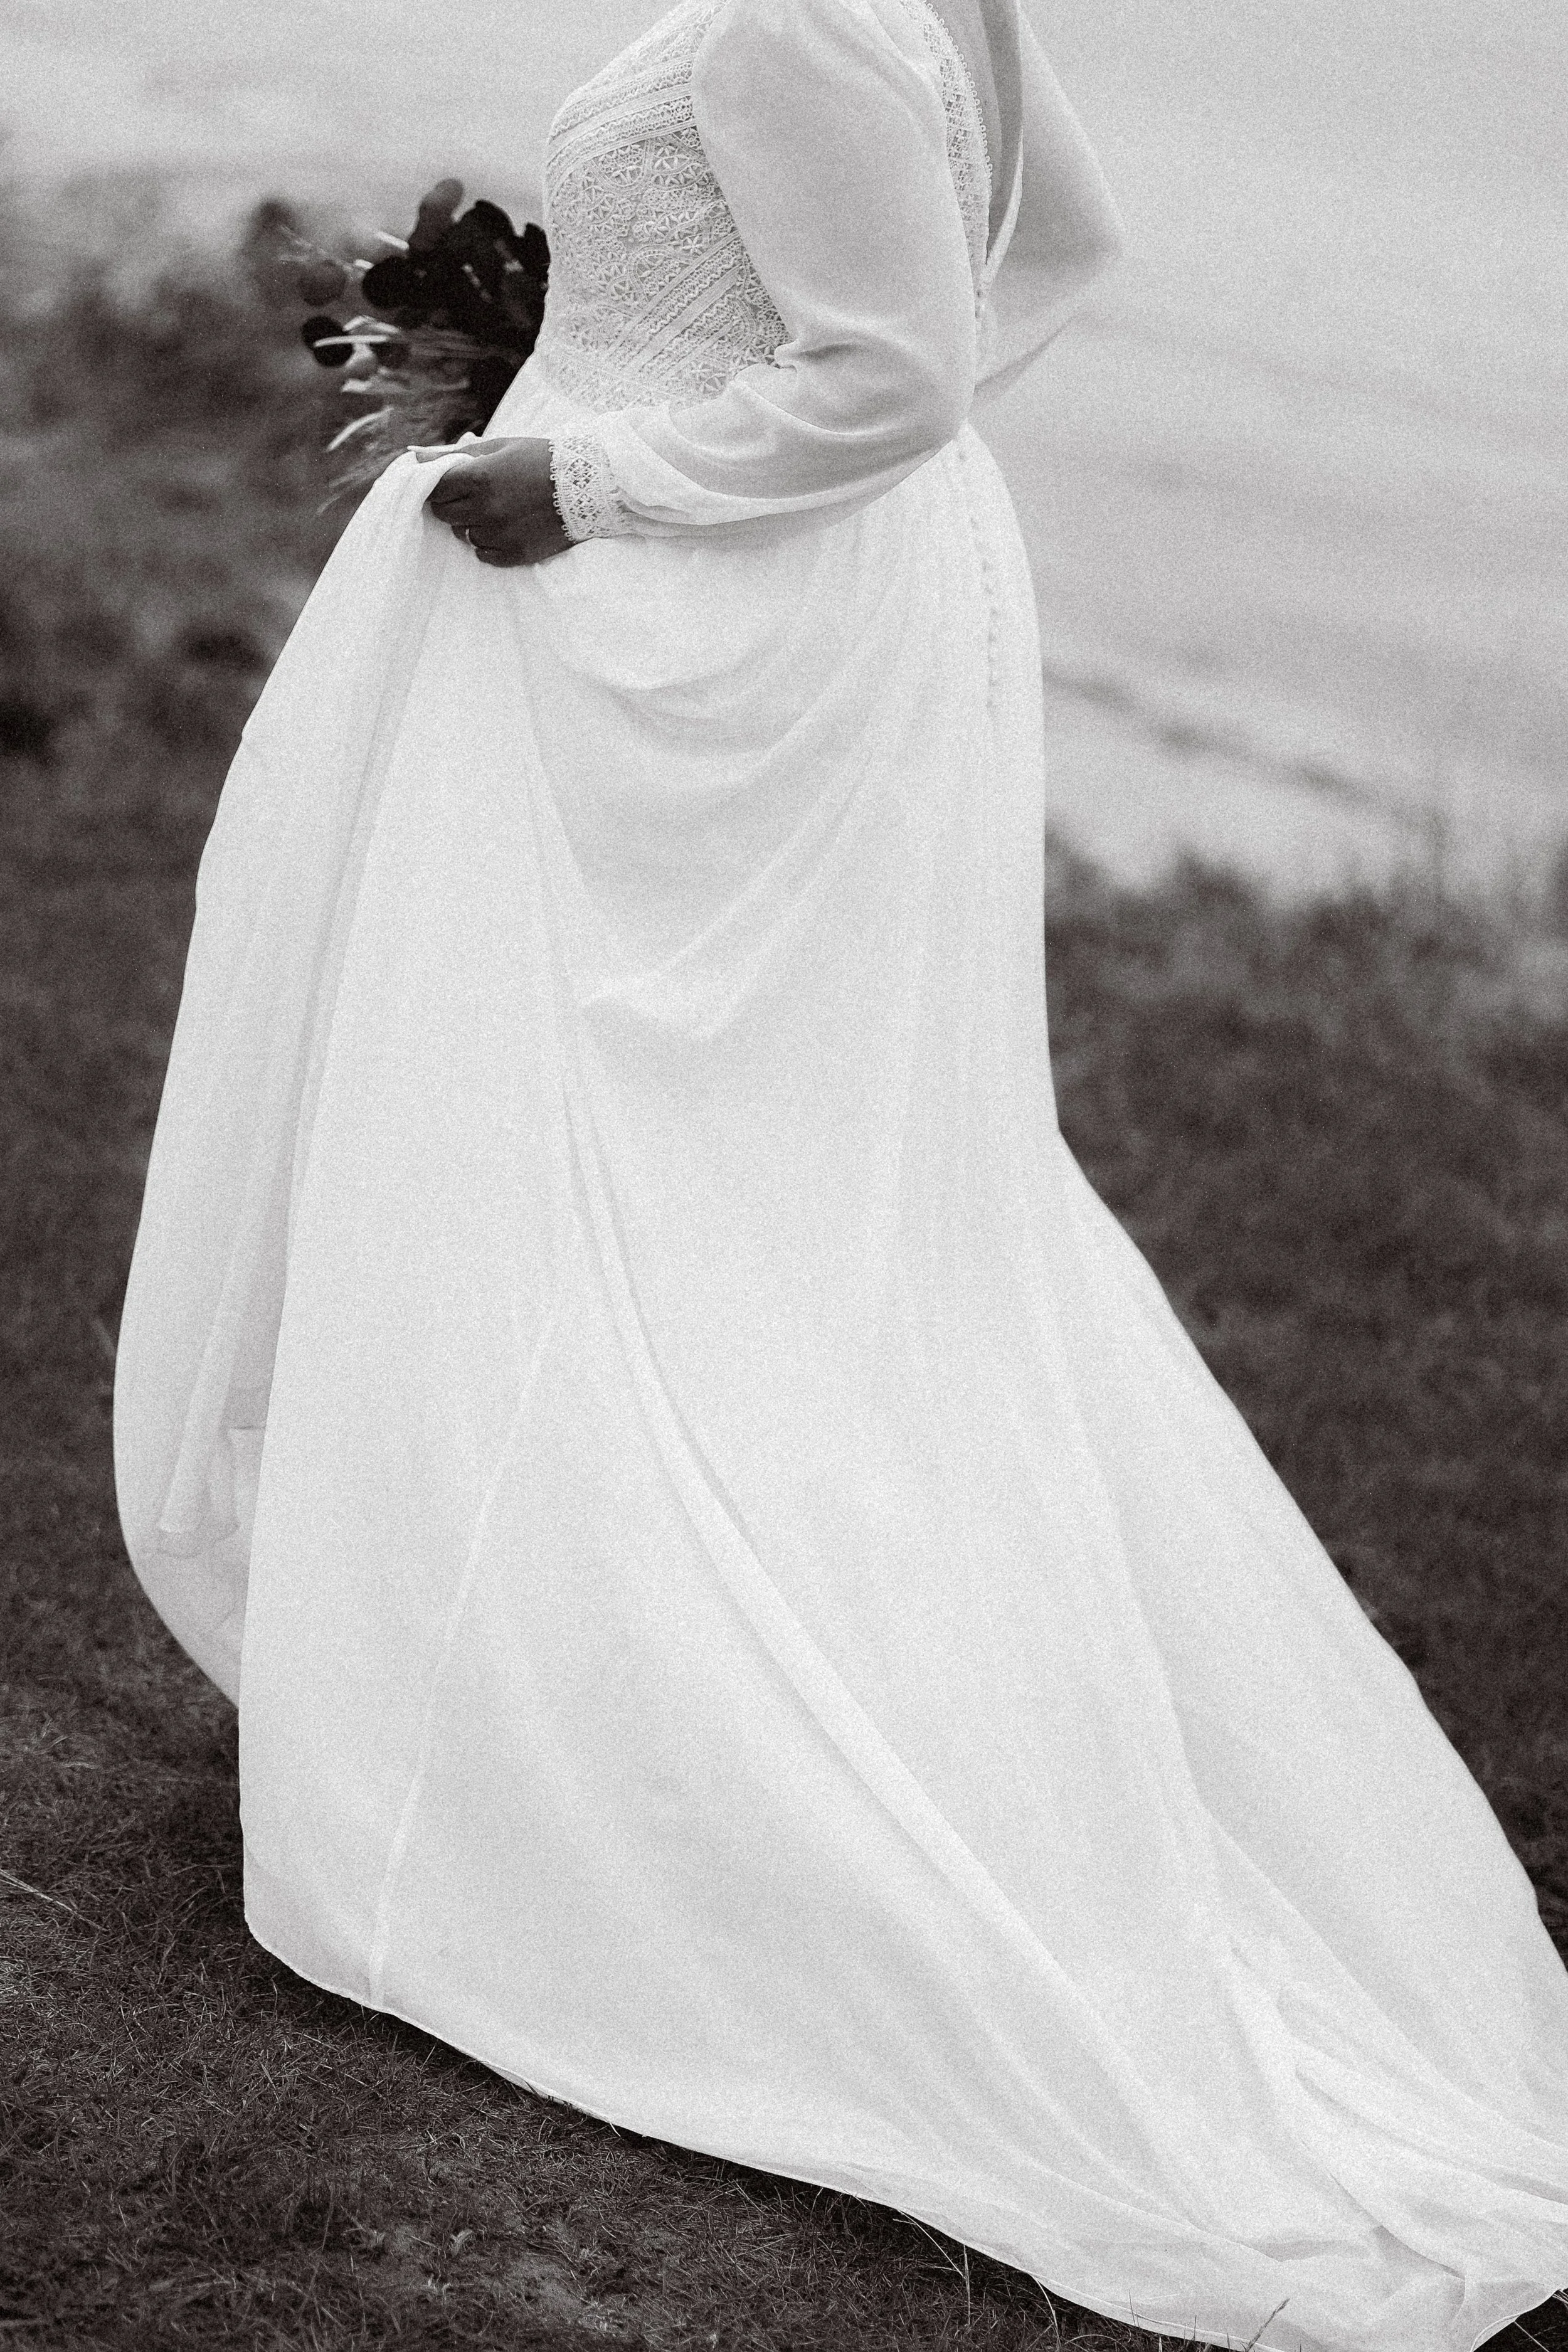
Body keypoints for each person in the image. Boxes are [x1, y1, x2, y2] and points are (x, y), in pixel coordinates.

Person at [114, 1, 1568, 2346]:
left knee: (636, 1154)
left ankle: (692, 1764)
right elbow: (1049, 265)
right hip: (787, 585)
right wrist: (621, 389)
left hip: (687, 615)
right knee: (720, 1172)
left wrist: (593, 479)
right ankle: (557, 1692)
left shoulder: (799, 12)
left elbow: (894, 370)